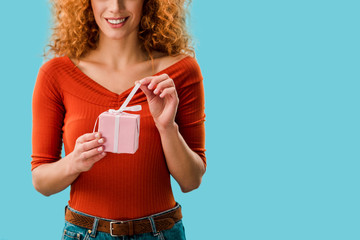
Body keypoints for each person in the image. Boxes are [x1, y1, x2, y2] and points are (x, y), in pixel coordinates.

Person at [31, 0, 206, 239]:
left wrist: (167, 127)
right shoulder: (56, 74)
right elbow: (41, 181)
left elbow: (191, 180)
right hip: (84, 233)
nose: (116, 6)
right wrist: (74, 163)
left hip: (161, 232)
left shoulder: (180, 72)